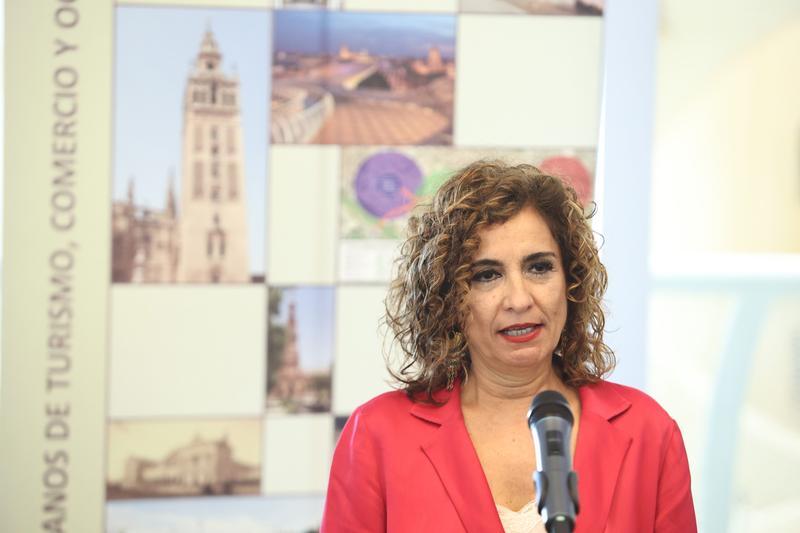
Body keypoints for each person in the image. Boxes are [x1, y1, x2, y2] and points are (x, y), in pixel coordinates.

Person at [321, 161, 696, 532]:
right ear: (448, 298)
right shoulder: (377, 436)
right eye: (487, 275)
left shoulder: (648, 432)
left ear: (571, 282)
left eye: (539, 267)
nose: (519, 299)